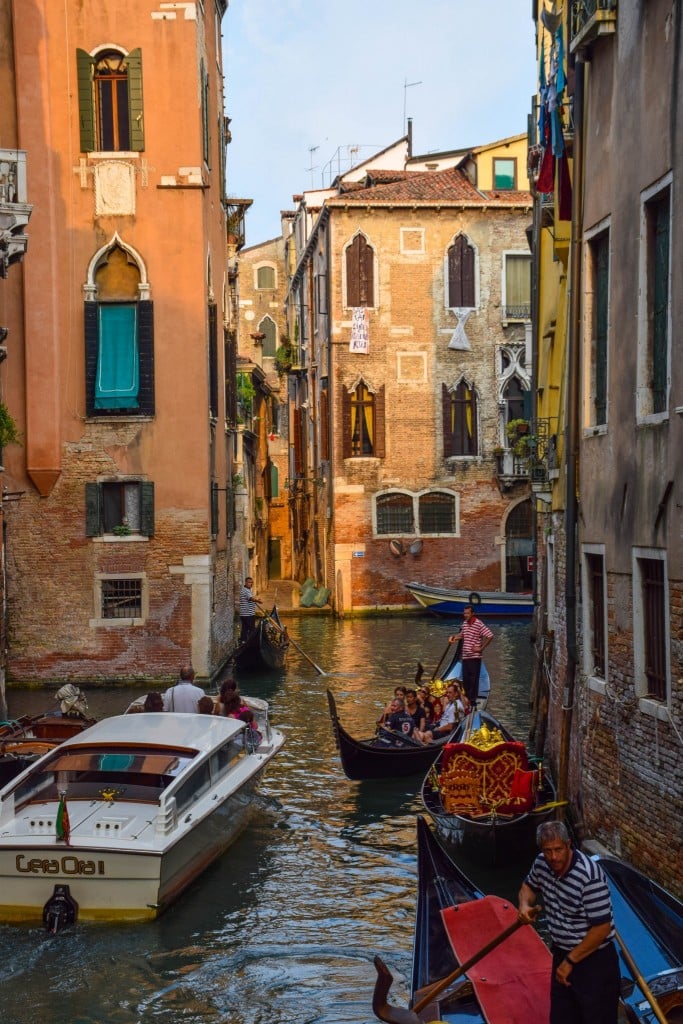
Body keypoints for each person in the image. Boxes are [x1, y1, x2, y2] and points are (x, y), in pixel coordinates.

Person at [518, 820, 621, 1024]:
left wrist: (570, 962)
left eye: (558, 849)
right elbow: (527, 887)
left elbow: (601, 928)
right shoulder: (541, 863)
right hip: (562, 953)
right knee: (561, 1018)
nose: (553, 857)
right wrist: (524, 906)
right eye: (548, 851)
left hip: (594, 961)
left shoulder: (589, 876)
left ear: (568, 845)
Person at [448, 604, 493, 706]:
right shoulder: (464, 624)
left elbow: (490, 635)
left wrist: (481, 648)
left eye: (467, 613)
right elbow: (462, 635)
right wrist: (453, 637)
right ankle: (467, 699)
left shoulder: (478, 624)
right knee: (466, 680)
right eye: (464, 613)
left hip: (474, 657)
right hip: (465, 657)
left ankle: (472, 702)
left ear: (473, 614)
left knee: (473, 681)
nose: (465, 615)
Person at [239, 577, 262, 641]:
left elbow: (250, 599)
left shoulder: (247, 590)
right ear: (246, 583)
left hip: (244, 614)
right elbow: (250, 598)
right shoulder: (245, 590)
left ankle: (243, 641)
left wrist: (256, 600)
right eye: (249, 582)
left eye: (252, 582)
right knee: (252, 629)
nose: (251, 584)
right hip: (248, 614)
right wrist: (257, 601)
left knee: (245, 629)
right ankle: (251, 642)